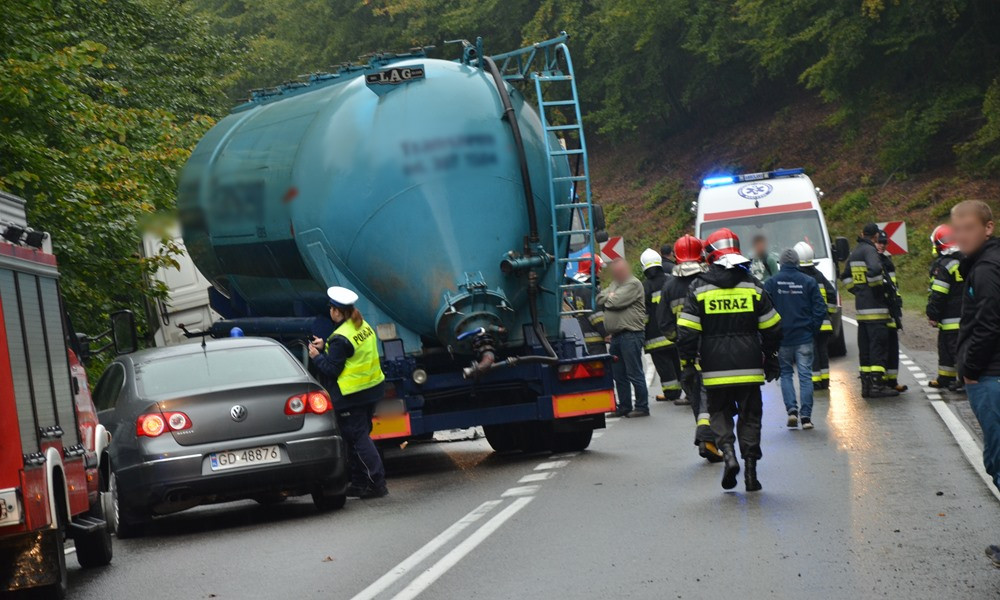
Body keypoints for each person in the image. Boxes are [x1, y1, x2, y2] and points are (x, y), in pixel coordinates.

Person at [678, 228, 782, 491]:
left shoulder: (698, 288)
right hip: (749, 367)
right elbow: (772, 328)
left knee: (719, 413)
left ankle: (729, 454)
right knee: (750, 417)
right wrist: (770, 357)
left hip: (714, 369)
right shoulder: (752, 285)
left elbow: (687, 332)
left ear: (710, 255)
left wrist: (688, 364)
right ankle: (751, 473)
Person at [950, 200, 1000, 569]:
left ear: (988, 228)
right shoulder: (986, 263)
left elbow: (989, 323)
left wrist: (970, 367)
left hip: (990, 377)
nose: (961, 235)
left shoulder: (985, 269)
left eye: (969, 227)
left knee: (998, 460)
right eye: (957, 229)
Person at [309, 286, 388, 499]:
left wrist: (316, 356)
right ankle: (361, 483)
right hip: (371, 390)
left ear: (336, 311)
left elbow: (332, 369)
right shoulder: (361, 326)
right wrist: (326, 346)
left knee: (358, 439)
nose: (330, 312)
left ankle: (376, 483)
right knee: (359, 438)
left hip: (351, 396)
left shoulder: (340, 337)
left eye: (331, 309)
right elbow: (350, 354)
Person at [658, 234, 722, 462]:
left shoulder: (669, 287)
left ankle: (708, 441)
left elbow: (664, 323)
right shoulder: (710, 280)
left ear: (676, 257)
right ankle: (711, 440)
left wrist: (679, 341)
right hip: (712, 349)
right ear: (702, 255)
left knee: (696, 397)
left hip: (686, 353)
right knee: (715, 396)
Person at [764, 248, 826, 430]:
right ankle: (806, 417)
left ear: (780, 264)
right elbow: (820, 308)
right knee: (806, 376)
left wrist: (771, 334)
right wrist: (812, 329)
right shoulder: (809, 281)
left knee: (786, 375)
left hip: (782, 339)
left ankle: (792, 411)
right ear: (798, 263)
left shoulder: (771, 283)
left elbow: (765, 310)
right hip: (804, 337)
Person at [840, 223, 899, 398]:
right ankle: (877, 386)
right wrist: (876, 289)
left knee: (865, 349)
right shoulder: (870, 251)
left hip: (862, 310)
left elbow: (845, 278)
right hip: (877, 310)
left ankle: (866, 387)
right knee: (878, 347)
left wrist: (858, 290)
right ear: (874, 237)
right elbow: (874, 269)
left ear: (862, 233)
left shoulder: (855, 252)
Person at [597, 258, 649, 418]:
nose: (616, 274)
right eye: (615, 272)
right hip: (617, 337)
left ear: (626, 270)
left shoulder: (633, 284)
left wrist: (610, 296)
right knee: (618, 374)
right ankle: (624, 406)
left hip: (631, 334)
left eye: (619, 271)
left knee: (634, 371)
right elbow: (599, 299)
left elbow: (614, 302)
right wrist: (610, 295)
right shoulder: (615, 284)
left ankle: (642, 406)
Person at [639, 248, 682, 403]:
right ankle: (685, 389)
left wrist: (642, 333)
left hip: (654, 336)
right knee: (677, 362)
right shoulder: (671, 280)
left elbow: (643, 314)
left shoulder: (644, 287)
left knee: (664, 367)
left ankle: (671, 393)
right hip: (673, 332)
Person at [926, 224, 965, 391]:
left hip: (950, 317)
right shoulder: (964, 260)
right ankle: (945, 377)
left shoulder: (943, 265)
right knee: (947, 348)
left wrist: (932, 313)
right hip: (965, 315)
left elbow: (939, 293)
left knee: (955, 350)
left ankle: (963, 381)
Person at [794, 241, 837, 390]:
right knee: (822, 352)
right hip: (824, 323)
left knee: (811, 354)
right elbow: (832, 295)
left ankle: (815, 381)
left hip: (808, 324)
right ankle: (825, 380)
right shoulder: (819, 276)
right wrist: (828, 314)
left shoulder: (798, 279)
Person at [876, 230, 907, 393]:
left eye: (884, 243)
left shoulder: (888, 262)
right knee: (883, 346)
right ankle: (881, 381)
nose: (882, 245)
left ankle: (892, 380)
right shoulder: (871, 260)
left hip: (892, 309)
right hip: (879, 310)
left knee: (893, 346)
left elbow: (894, 285)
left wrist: (898, 303)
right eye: (879, 242)